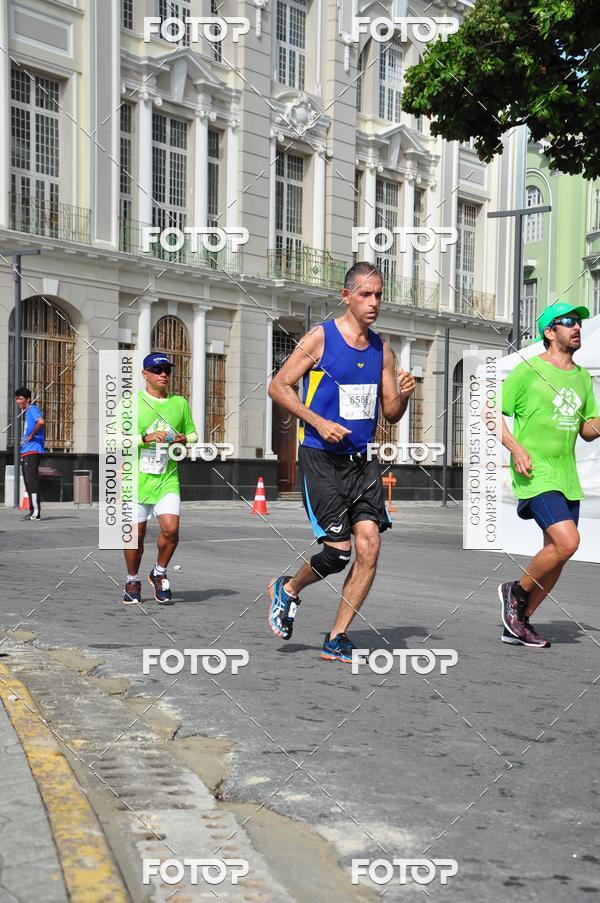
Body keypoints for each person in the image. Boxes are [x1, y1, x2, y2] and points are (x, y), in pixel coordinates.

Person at [266, 262, 416, 663]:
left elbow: (391, 414)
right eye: (365, 294)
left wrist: (404, 394)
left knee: (370, 545)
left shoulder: (383, 349)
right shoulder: (321, 338)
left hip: (362, 462)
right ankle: (289, 588)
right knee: (337, 553)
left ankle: (337, 636)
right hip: (320, 458)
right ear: (346, 296)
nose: (373, 302)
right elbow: (278, 386)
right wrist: (317, 421)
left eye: (379, 295)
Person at [498, 301, 600, 647]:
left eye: (579, 322)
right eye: (568, 322)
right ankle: (514, 591)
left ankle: (518, 623)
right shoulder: (528, 371)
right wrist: (515, 448)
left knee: (557, 556)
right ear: (549, 332)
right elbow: (490, 411)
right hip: (535, 472)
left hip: (566, 476)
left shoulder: (583, 377)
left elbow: (587, 430)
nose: (577, 327)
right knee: (568, 541)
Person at [122, 353, 197, 606]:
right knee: (136, 535)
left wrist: (184, 439)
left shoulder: (179, 403)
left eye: (167, 370)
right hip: (135, 478)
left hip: (167, 477)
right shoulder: (131, 403)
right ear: (145, 374)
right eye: (157, 370)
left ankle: (159, 573)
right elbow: (112, 438)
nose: (163, 374)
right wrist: (144, 438)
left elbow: (193, 433)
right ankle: (132, 581)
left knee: (171, 529)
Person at [15, 387, 45, 520]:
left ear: (28, 399)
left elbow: (41, 422)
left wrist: (31, 436)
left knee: (32, 481)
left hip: (33, 450)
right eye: (17, 399)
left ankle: (36, 513)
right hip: (26, 451)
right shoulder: (27, 412)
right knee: (28, 481)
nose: (18, 401)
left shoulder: (32, 409)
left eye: (20, 399)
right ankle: (33, 510)